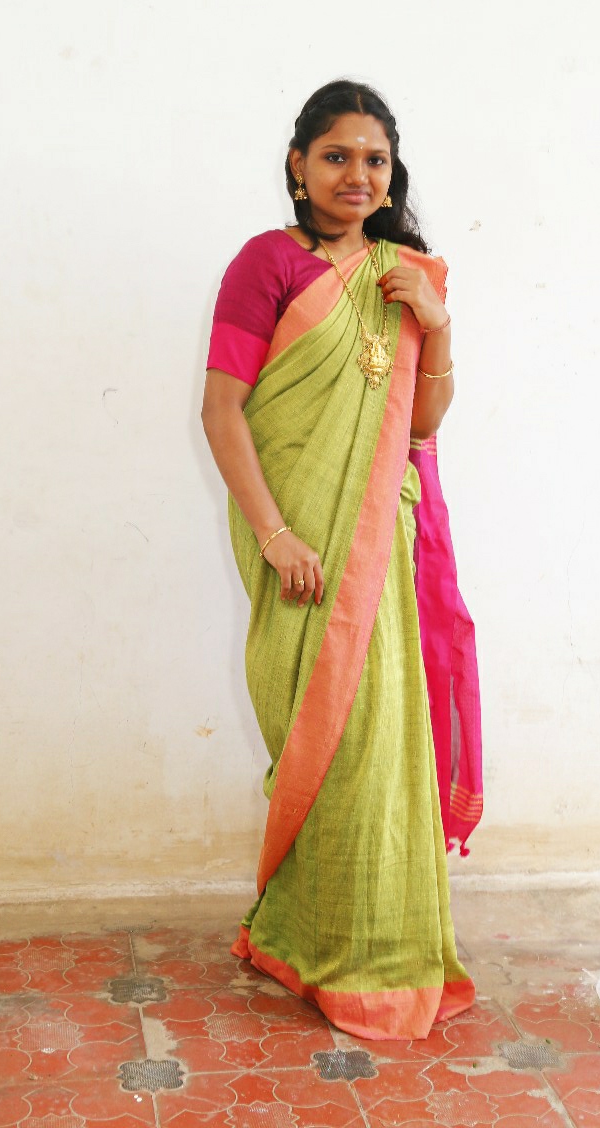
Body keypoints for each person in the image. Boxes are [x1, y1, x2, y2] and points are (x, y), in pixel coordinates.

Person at [201, 79, 482, 1040]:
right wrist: (276, 535)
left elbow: (421, 424)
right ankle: (306, 935)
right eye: (335, 156)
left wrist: (435, 322)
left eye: (373, 159)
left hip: (375, 544)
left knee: (375, 749)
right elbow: (222, 410)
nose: (356, 175)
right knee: (314, 737)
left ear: (391, 171)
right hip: (290, 535)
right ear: (298, 165)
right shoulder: (266, 263)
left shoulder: (404, 272)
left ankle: (371, 950)